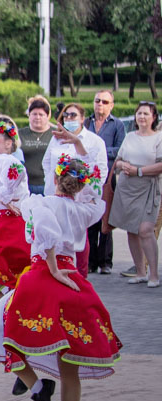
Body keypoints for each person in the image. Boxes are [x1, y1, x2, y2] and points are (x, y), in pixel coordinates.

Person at [0, 156, 122, 401]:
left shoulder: (40, 204)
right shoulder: (86, 209)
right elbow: (96, 197)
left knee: (3, 335)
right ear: (80, 185)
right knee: (70, 367)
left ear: (56, 179)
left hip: (43, 275)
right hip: (73, 281)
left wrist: (51, 266)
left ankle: (36, 386)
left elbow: (42, 227)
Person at [43, 102, 106, 275]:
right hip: (57, 195)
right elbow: (47, 163)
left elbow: (99, 172)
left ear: (82, 119)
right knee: (55, 238)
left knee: (77, 239)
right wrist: (54, 185)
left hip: (80, 198)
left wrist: (84, 192)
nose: (69, 118)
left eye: (73, 115)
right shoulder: (56, 139)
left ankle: (79, 276)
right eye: (66, 115)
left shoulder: (95, 141)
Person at [108, 101, 162, 287]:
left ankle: (153, 274)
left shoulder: (158, 138)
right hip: (127, 187)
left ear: (153, 117)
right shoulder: (130, 136)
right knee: (131, 229)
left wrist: (139, 171)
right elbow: (120, 159)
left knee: (145, 230)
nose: (142, 117)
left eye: (146, 114)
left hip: (148, 187)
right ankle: (140, 271)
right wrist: (123, 166)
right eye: (139, 113)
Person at [84, 89, 124, 274]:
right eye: (97, 100)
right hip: (86, 178)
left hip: (107, 178)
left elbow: (120, 150)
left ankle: (105, 262)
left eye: (105, 102)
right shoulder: (86, 123)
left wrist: (99, 151)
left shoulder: (117, 125)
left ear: (111, 105)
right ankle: (90, 261)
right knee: (90, 220)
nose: (100, 104)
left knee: (106, 220)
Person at [21, 96, 54, 195]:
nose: (37, 117)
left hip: (48, 185)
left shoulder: (55, 135)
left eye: (41, 114)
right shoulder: (20, 134)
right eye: (34, 114)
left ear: (47, 116)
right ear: (29, 115)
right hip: (25, 185)